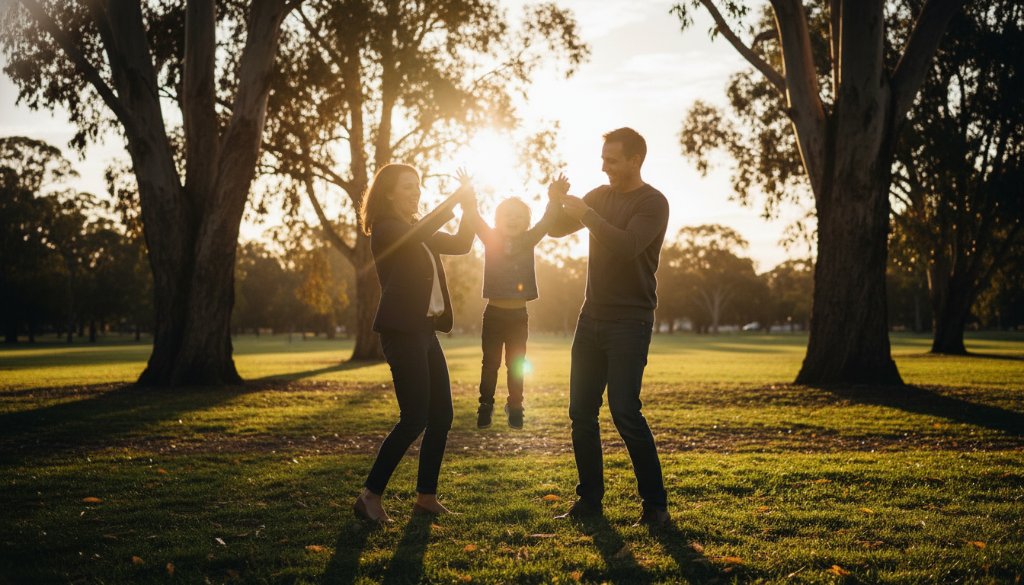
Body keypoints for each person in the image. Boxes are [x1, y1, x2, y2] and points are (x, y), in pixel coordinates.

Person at [547, 128, 672, 528]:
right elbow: (555, 229)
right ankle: (589, 503)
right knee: (581, 413)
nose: (604, 166)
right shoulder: (599, 196)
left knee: (624, 411)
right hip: (591, 319)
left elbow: (626, 245)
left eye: (612, 160)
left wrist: (585, 213)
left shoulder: (653, 202)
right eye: (602, 158)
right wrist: (554, 203)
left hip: (630, 321)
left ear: (635, 159)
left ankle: (655, 507)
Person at [352, 164, 476, 523]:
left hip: (425, 332)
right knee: (414, 418)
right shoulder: (388, 230)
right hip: (401, 332)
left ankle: (426, 496)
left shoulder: (417, 231)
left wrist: (469, 206)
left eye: (418, 186)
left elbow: (463, 244)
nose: (416, 193)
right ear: (388, 193)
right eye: (408, 187)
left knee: (441, 416)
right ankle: (370, 496)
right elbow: (419, 231)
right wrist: (455, 198)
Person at [463, 182, 564, 429]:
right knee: (491, 363)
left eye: (519, 216)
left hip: (518, 316)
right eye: (507, 215)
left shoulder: (529, 239)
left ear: (526, 223)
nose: (513, 219)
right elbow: (474, 218)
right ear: (497, 220)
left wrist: (554, 197)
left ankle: (516, 406)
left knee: (516, 364)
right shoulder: (490, 238)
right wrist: (469, 193)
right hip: (495, 314)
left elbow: (547, 221)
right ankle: (485, 405)